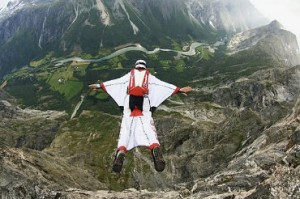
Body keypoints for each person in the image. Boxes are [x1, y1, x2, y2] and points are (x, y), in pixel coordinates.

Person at [89, 60, 192, 173]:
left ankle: (121, 151)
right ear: (145, 67)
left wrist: (99, 86)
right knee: (148, 127)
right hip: (144, 104)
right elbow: (163, 86)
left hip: (130, 103)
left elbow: (115, 83)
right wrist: (179, 90)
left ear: (136, 66)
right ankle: (155, 147)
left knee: (126, 129)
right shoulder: (150, 78)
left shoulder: (129, 75)